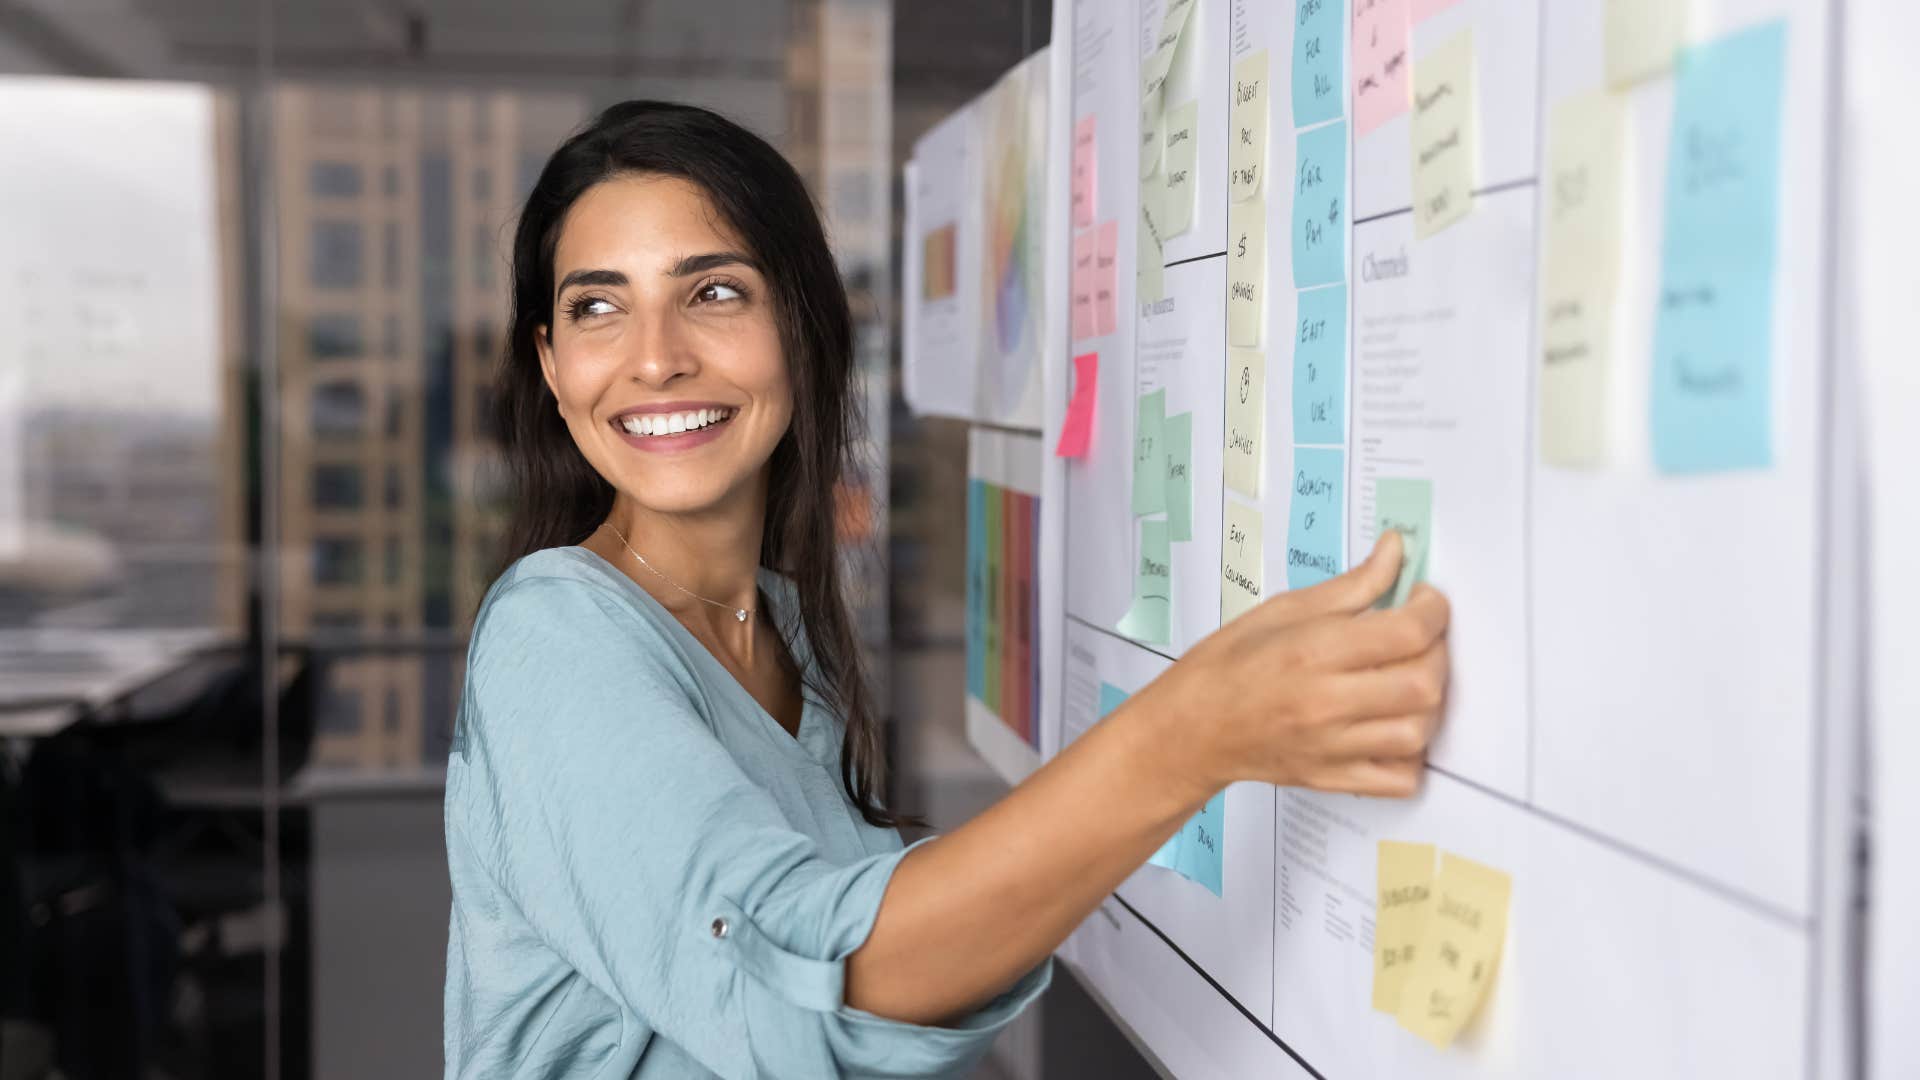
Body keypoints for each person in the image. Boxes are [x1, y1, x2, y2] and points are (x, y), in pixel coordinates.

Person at [443, 100, 1451, 1079]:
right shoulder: (553, 634)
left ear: (799, 324)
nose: (655, 358)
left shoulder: (787, 629)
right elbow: (821, 979)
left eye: (713, 292)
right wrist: (1192, 736)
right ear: (551, 361)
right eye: (598, 307)